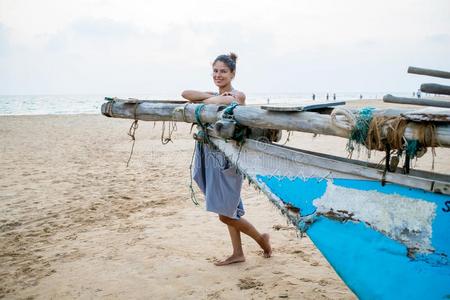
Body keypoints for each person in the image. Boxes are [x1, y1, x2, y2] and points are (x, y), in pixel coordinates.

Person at [181, 53, 272, 266]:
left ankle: (262, 240)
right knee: (228, 208)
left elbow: (229, 101)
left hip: (228, 158)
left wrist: (206, 99)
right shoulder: (213, 93)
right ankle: (237, 253)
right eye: (215, 71)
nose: (218, 75)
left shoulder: (238, 95)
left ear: (233, 73)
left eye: (223, 71)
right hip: (210, 155)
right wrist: (210, 97)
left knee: (225, 213)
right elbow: (185, 93)